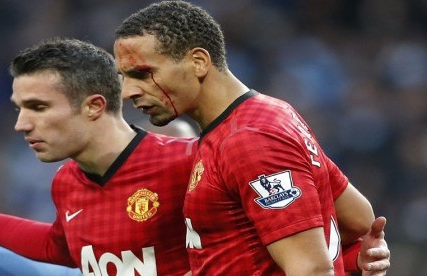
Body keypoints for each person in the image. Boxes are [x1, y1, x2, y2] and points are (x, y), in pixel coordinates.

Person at [113, 1, 390, 275]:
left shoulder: (249, 139)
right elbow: (358, 219)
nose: (128, 92)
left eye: (142, 74)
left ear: (198, 62)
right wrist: (352, 259)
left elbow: (312, 269)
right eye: (123, 77)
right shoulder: (266, 114)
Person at [0, 37, 195, 275]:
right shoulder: (67, 181)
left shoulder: (187, 163)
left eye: (39, 107)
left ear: (93, 106)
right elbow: (57, 247)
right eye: (19, 108)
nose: (21, 124)